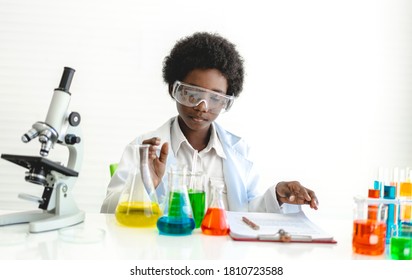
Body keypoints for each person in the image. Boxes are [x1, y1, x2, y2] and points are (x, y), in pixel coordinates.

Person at [101, 32, 319, 214]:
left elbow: (248, 213)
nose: (202, 107)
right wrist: (144, 183)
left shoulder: (239, 151)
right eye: (192, 94)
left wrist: (276, 196)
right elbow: (107, 211)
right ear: (174, 89)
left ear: (227, 101)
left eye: (215, 98)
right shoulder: (144, 149)